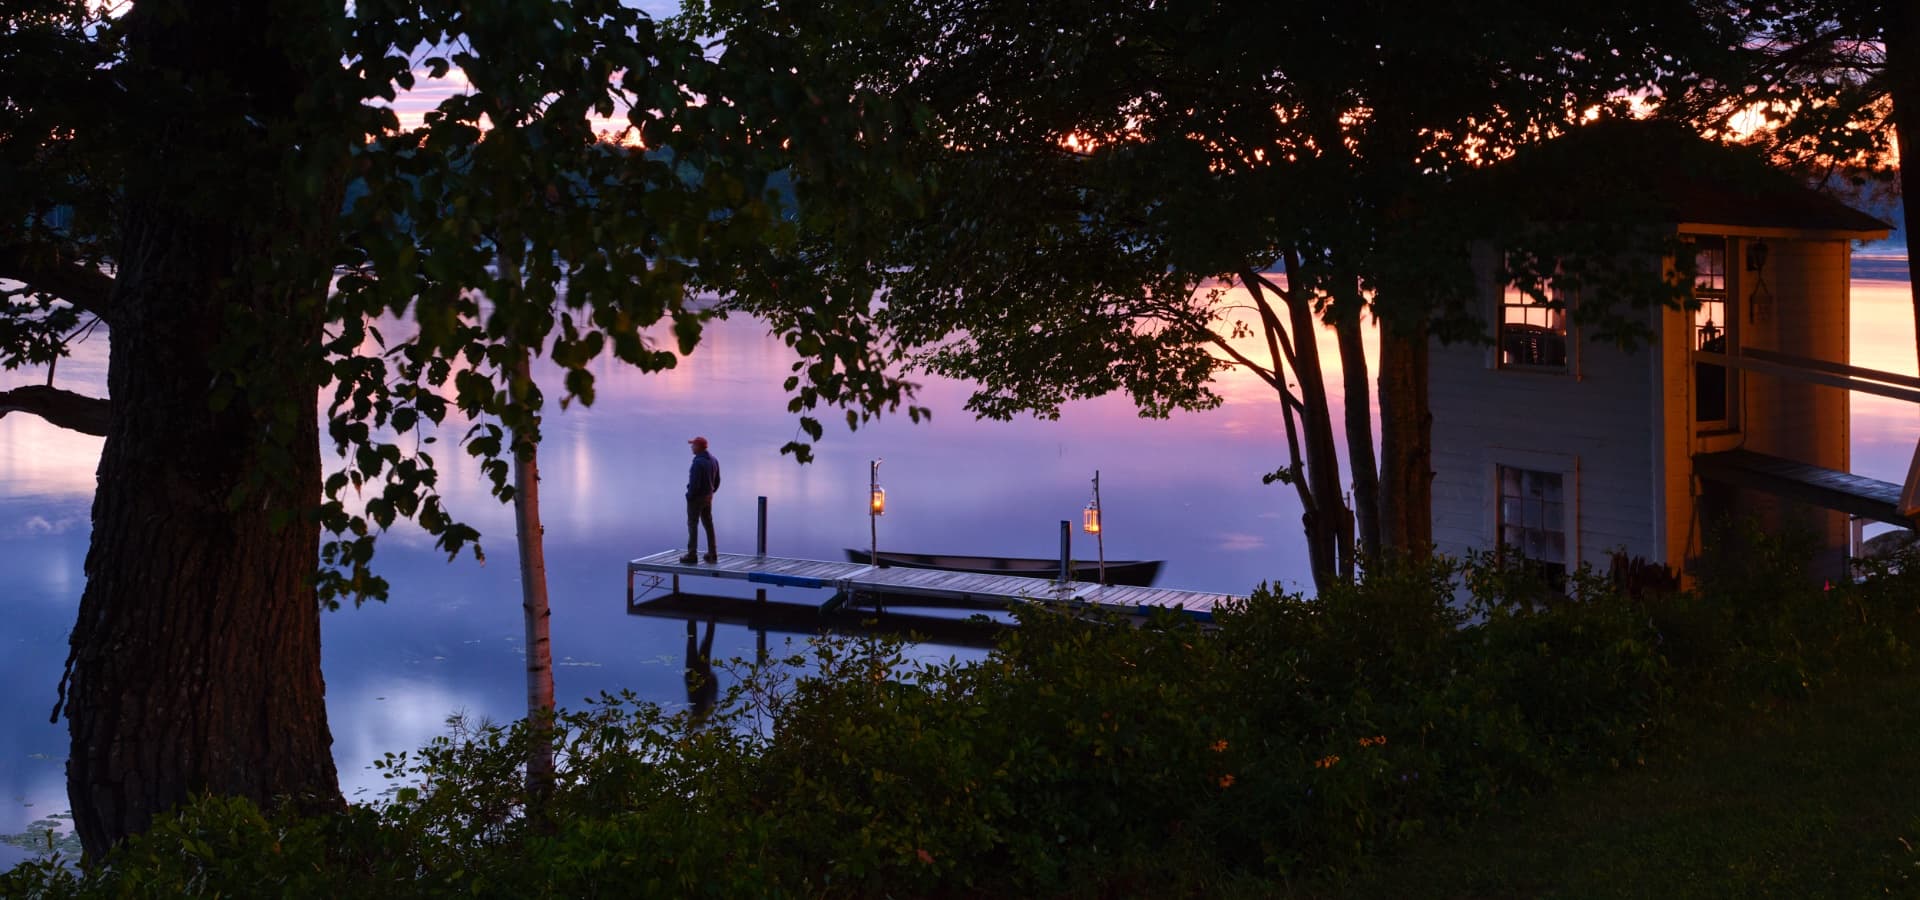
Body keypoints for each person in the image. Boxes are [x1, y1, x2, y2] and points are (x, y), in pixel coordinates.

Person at [682, 436, 720, 564]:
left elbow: (694, 484)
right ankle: (712, 553)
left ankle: (692, 554)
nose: (691, 447)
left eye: (693, 445)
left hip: (696, 498)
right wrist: (711, 492)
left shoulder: (698, 463)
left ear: (698, 447)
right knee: (708, 524)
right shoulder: (714, 460)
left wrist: (689, 496)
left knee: (693, 524)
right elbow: (717, 480)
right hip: (708, 497)